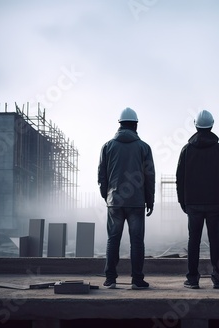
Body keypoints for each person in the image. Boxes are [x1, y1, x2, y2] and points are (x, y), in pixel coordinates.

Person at [98, 107, 155, 290]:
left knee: (113, 239)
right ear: (135, 125)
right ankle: (137, 280)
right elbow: (149, 177)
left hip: (114, 201)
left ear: (120, 125)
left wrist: (107, 196)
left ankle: (110, 279)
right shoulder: (144, 147)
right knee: (136, 241)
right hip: (137, 202)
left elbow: (102, 176)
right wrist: (150, 200)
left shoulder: (107, 146)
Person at [176, 109, 219, 289]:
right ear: (212, 125)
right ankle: (218, 278)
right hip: (214, 202)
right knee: (215, 240)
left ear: (196, 125)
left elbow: (180, 179)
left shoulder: (187, 150)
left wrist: (182, 202)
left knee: (194, 241)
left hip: (193, 203)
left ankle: (192, 279)